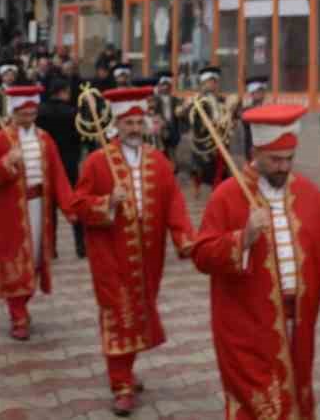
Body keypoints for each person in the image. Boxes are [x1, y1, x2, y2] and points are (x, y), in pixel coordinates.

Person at [192, 104, 320, 418]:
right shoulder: (226, 196)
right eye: (275, 159)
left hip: (299, 323)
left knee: (297, 393)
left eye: (289, 158)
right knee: (261, 405)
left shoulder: (307, 193)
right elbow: (202, 255)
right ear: (255, 153)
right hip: (245, 326)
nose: (284, 167)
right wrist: (243, 237)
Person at [71, 86, 196, 415]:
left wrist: (184, 237)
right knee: (118, 312)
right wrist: (107, 203)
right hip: (110, 253)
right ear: (116, 124)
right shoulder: (98, 162)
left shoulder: (158, 161)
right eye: (128, 123)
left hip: (149, 254)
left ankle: (126, 370)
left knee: (139, 310)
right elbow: (77, 205)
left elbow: (174, 203)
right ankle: (121, 384)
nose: (135, 129)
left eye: (139, 123)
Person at [0, 84, 74, 340]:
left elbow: (58, 174)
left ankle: (22, 304)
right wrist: (5, 163)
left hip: (40, 206)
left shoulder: (45, 139)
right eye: (23, 114)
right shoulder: (0, 139)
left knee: (35, 259)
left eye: (32, 113)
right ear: (14, 112)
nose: (29, 118)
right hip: (10, 210)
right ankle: (18, 314)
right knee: (14, 258)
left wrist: (70, 207)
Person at [35, 75, 86, 257]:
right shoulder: (73, 113)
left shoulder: (39, 112)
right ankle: (81, 246)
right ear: (64, 92)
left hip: (45, 162)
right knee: (74, 202)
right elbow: (81, 136)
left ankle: (50, 248)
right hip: (69, 162)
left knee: (49, 206)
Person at [186, 68, 228, 199]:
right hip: (203, 138)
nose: (212, 85)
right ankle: (196, 188)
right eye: (209, 82)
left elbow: (227, 115)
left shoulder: (221, 100)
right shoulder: (196, 99)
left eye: (214, 82)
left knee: (220, 165)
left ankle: (217, 190)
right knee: (200, 167)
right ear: (203, 83)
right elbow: (188, 115)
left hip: (220, 136)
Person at [239, 75, 269, 160]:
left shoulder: (269, 109)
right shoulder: (246, 110)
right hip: (252, 149)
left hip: (267, 148)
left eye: (262, 91)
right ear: (252, 93)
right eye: (258, 91)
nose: (261, 94)